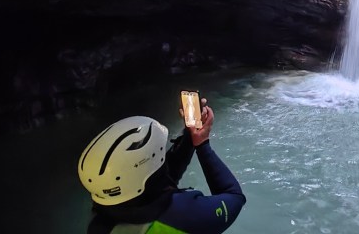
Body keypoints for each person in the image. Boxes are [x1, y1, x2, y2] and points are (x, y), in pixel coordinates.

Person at [78, 98, 246, 234]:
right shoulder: (182, 216)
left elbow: (156, 182)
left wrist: (190, 136)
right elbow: (234, 196)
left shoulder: (98, 221)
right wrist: (202, 144)